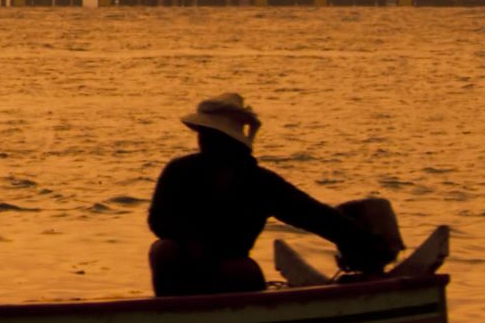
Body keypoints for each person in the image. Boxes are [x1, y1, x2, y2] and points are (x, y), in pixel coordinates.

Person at [145, 93, 396, 296]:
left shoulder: (258, 181)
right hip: (184, 265)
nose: (202, 141)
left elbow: (314, 215)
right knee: (164, 251)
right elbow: (158, 219)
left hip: (231, 267)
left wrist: (366, 242)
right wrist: (190, 242)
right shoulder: (180, 171)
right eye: (203, 136)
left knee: (241, 271)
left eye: (208, 136)